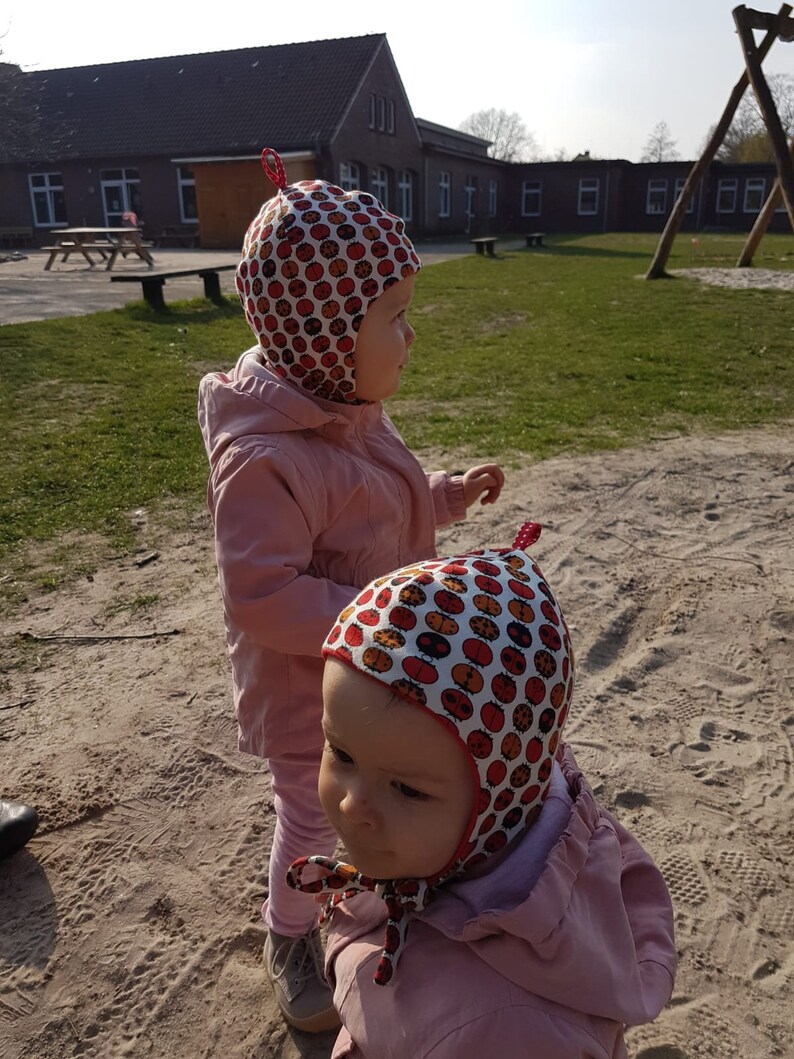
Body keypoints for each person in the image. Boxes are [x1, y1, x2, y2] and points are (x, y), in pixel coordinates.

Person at [197, 148, 504, 1033]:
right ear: (329, 336)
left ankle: (367, 886)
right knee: (310, 814)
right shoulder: (266, 456)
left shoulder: (348, 408)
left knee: (372, 797)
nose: (411, 338)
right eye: (394, 319)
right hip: (311, 694)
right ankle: (287, 929)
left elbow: (386, 508)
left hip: (373, 673)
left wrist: (445, 492)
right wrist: (380, 618)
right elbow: (261, 595)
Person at [288, 524, 676, 1058]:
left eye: (407, 789)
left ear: (497, 803)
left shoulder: (506, 1033)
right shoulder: (442, 852)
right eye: (343, 754)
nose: (353, 804)